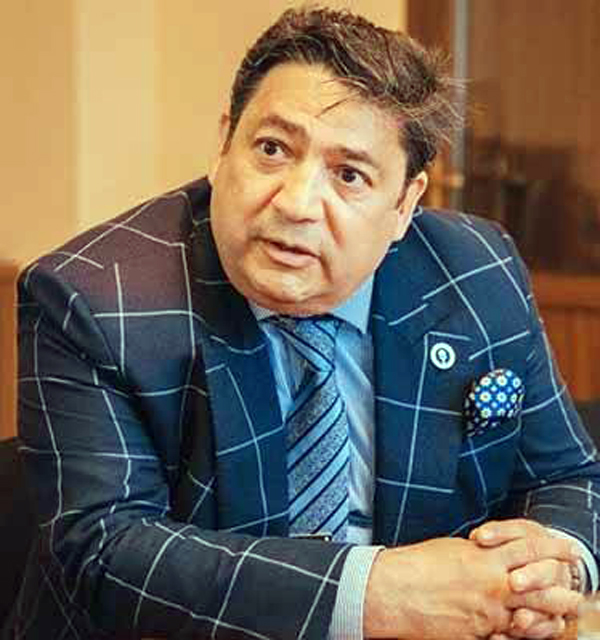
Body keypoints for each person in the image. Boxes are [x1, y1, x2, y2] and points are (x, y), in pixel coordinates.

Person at [6, 7, 600, 640]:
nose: (295, 204)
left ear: (405, 203)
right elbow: (105, 552)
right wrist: (377, 594)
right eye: (272, 149)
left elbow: (567, 477)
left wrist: (550, 568)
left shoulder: (475, 269)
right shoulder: (94, 299)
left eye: (349, 175)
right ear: (224, 145)